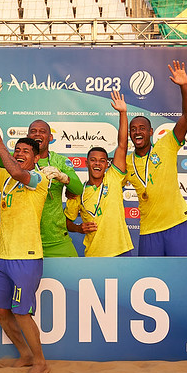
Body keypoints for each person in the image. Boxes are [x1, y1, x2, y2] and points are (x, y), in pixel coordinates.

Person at [0, 128, 51, 373]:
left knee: (22, 313)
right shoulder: (6, 179)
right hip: (2, 257)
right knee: (0, 310)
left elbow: (16, 170)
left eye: (26, 151)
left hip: (26, 257)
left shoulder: (40, 179)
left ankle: (41, 362)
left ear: (36, 158)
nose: (20, 153)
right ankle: (24, 353)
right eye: (18, 150)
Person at [127, 61, 187, 256]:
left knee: (184, 274)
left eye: (141, 128)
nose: (137, 132)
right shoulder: (126, 162)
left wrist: (184, 86)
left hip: (177, 224)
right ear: (129, 135)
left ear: (150, 132)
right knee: (150, 278)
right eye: (133, 130)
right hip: (149, 231)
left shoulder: (167, 144)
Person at [0, 119, 83, 257]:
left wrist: (63, 177)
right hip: (25, 242)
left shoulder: (60, 161)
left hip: (56, 240)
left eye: (42, 131)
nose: (37, 134)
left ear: (50, 138)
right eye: (33, 131)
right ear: (27, 136)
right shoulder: (14, 160)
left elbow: (78, 189)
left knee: (73, 275)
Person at [64, 91, 134, 257]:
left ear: (106, 164)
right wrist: (79, 228)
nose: (97, 163)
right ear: (86, 163)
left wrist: (123, 113)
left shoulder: (114, 177)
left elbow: (122, 145)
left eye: (102, 160)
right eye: (93, 160)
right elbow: (66, 222)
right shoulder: (78, 192)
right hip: (94, 255)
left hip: (122, 251)